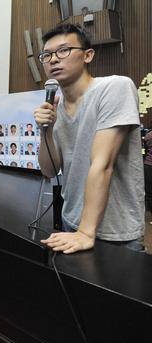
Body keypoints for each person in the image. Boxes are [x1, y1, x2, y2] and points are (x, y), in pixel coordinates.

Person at [34, 23, 144, 254]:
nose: (53, 59)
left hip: (114, 229)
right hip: (72, 222)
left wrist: (85, 232)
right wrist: (46, 129)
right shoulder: (55, 105)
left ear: (88, 55)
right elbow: (49, 170)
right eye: (46, 55)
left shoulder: (114, 87)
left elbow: (102, 165)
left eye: (63, 50)